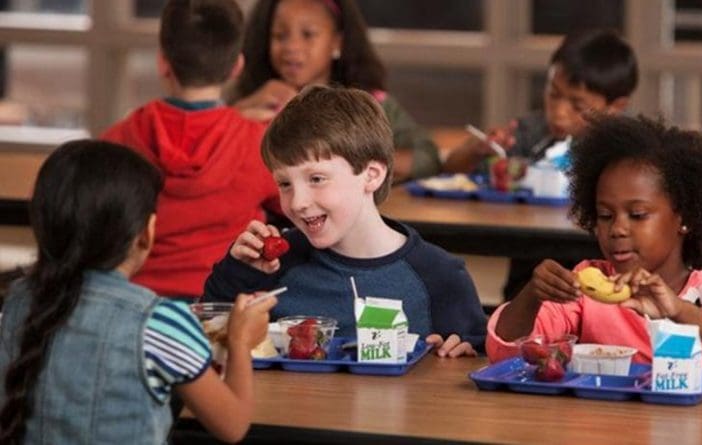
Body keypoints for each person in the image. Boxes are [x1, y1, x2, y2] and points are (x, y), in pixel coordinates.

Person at [0, 140, 277, 444]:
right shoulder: (159, 321)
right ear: (146, 233)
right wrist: (240, 341)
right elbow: (232, 426)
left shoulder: (16, 302)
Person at [486, 115, 702, 386]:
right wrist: (532, 295)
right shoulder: (587, 287)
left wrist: (680, 311)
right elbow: (503, 355)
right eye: (605, 216)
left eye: (638, 215)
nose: (617, 229)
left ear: (684, 218)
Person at [205, 86, 487, 357]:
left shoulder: (439, 275)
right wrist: (239, 272)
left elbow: (477, 357)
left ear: (371, 175)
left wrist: (462, 354)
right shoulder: (275, 265)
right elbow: (208, 337)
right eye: (284, 183)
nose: (297, 202)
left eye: (316, 179)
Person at [102, 0, 282, 299]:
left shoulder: (117, 140)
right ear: (237, 66)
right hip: (226, 308)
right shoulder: (258, 143)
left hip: (137, 306)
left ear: (162, 62)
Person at [443, 29, 639, 301]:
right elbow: (452, 170)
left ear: (616, 107)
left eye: (578, 105)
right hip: (528, 280)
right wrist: (478, 151)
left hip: (602, 280)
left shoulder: (629, 147)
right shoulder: (532, 131)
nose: (559, 112)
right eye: (553, 94)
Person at [230, 0, 441, 182]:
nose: (292, 46)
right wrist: (236, 114)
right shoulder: (252, 100)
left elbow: (427, 158)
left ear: (337, 42)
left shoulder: (370, 104)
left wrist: (346, 155)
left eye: (308, 34)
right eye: (279, 36)